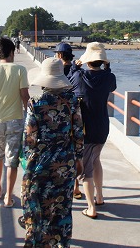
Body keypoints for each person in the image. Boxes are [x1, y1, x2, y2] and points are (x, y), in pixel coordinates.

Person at [20, 57, 84, 247]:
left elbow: (29, 138)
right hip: (66, 161)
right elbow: (79, 133)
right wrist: (78, 159)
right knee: (61, 207)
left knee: (37, 203)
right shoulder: (72, 101)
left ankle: (36, 241)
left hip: (41, 160)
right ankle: (61, 242)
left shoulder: (36, 102)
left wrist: (28, 162)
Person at [0, 37, 30, 207]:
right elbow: (25, 96)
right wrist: (30, 117)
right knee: (12, 160)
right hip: (16, 120)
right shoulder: (20, 70)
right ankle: (8, 196)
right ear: (11, 52)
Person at [69, 42, 116, 219]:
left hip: (85, 128)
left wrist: (75, 64)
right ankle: (100, 197)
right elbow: (111, 85)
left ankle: (91, 208)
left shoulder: (79, 76)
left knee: (86, 170)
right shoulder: (109, 78)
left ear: (87, 60)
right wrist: (107, 68)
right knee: (96, 160)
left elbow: (70, 79)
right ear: (102, 61)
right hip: (103, 126)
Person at [53, 42, 82, 199]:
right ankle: (76, 187)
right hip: (74, 114)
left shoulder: (55, 72)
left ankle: (61, 184)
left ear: (58, 55)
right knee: (75, 152)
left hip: (58, 116)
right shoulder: (78, 71)